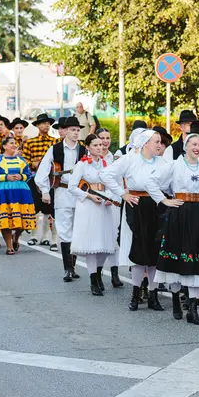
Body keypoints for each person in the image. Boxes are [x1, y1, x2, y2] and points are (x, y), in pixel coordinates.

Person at [151, 133, 199, 325]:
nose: (197, 147)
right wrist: (164, 200)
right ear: (186, 146)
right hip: (179, 213)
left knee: (198, 259)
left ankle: (193, 309)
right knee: (178, 256)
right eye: (193, 144)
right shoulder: (174, 165)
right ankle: (175, 299)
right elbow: (151, 182)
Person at [103, 129, 170, 311]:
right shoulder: (130, 159)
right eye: (156, 141)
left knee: (155, 253)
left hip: (156, 205)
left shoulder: (162, 162)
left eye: (160, 142)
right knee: (139, 252)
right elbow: (105, 175)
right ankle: (135, 294)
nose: (159, 145)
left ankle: (153, 295)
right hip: (137, 205)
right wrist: (123, 194)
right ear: (145, 143)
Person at [68, 134, 120, 295]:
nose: (99, 147)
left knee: (105, 243)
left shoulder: (106, 164)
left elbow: (112, 184)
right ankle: (93, 280)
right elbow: (72, 186)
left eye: (100, 145)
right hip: (88, 205)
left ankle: (98, 272)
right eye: (95, 145)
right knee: (92, 244)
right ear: (88, 147)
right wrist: (89, 196)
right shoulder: (82, 164)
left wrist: (110, 197)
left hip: (104, 204)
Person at [37, 117, 86, 281]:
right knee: (65, 230)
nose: (76, 133)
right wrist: (45, 191)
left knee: (78, 230)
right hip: (63, 192)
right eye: (72, 130)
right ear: (65, 131)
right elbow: (43, 171)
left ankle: (73, 266)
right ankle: (68, 269)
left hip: (80, 192)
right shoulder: (55, 149)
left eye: (78, 130)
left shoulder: (83, 149)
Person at [0, 137, 37, 254]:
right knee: (5, 219)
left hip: (21, 191)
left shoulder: (21, 160)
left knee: (23, 218)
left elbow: (28, 174)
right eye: (11, 143)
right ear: (4, 146)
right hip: (3, 191)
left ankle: (16, 237)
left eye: (15, 143)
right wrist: (6, 177)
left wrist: (21, 176)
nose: (14, 145)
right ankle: (9, 246)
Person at [22, 113, 57, 247]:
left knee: (49, 208)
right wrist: (33, 163)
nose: (46, 125)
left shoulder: (55, 142)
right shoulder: (30, 142)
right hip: (34, 177)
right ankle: (33, 235)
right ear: (37, 125)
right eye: (43, 123)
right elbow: (24, 160)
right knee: (35, 207)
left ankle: (46, 237)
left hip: (50, 179)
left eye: (48, 123)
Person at [95, 127, 123, 288]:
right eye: (102, 138)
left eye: (107, 138)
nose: (105, 141)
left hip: (113, 203)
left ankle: (114, 273)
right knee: (100, 239)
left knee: (113, 238)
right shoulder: (91, 159)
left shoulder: (116, 159)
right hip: (96, 201)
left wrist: (112, 197)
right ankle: (97, 273)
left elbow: (119, 182)